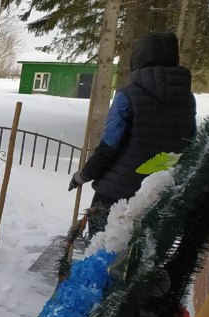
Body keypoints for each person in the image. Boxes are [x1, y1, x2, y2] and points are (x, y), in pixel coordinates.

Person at [68, 32, 196, 236]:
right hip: (159, 194)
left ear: (138, 58)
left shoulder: (127, 96)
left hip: (115, 195)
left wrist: (83, 175)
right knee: (140, 259)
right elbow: (190, 145)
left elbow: (109, 146)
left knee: (100, 250)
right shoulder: (187, 99)